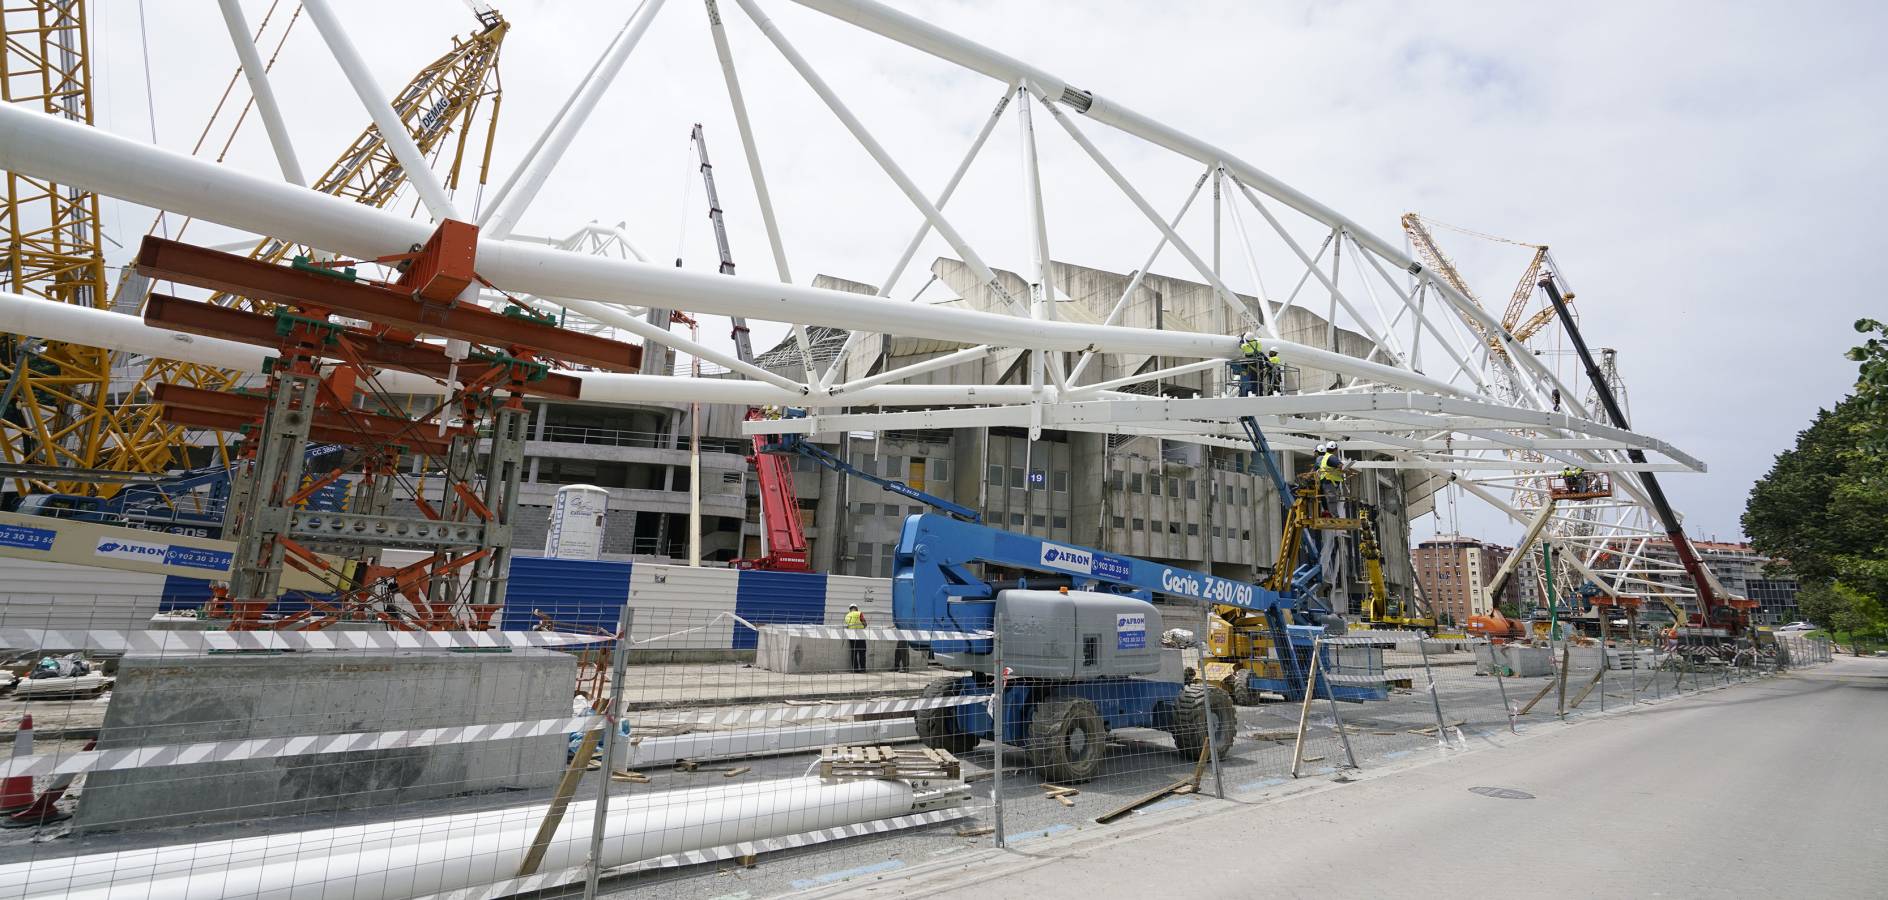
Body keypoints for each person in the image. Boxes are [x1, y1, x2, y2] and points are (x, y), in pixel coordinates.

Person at [844, 604, 868, 673]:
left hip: (851, 636)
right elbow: (865, 624)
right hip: (860, 636)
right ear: (856, 608)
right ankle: (863, 669)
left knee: (853, 653)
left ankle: (855, 670)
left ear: (850, 609)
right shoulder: (859, 613)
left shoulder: (847, 616)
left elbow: (847, 625)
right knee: (862, 653)